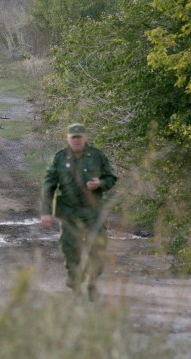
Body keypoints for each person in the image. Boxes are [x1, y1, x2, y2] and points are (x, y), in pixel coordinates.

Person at [40, 123, 118, 302]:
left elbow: (111, 177)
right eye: (73, 137)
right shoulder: (60, 158)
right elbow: (48, 185)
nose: (76, 140)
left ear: (85, 137)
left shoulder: (97, 156)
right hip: (68, 213)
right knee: (71, 250)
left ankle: (92, 282)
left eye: (79, 137)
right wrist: (46, 212)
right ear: (67, 138)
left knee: (98, 249)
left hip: (93, 213)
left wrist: (100, 183)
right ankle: (75, 284)